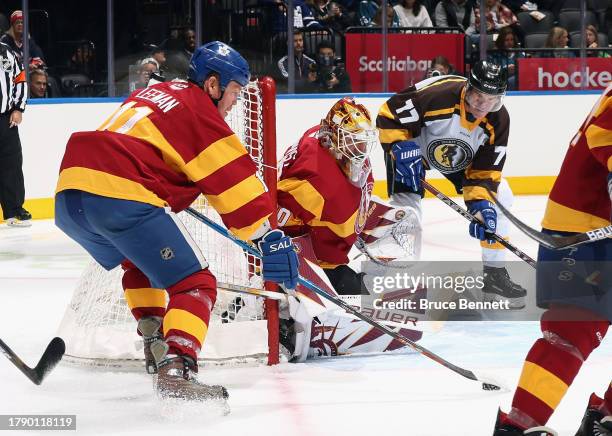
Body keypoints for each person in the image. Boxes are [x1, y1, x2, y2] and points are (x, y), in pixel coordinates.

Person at [54, 41, 299, 404]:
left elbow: (149, 152)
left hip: (70, 195)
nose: (234, 102)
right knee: (195, 283)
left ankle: (155, 343)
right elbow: (235, 186)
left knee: (139, 262)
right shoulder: (199, 109)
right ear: (213, 85)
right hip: (119, 192)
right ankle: (177, 368)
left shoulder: (156, 95)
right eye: (233, 91)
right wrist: (268, 236)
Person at [492, 84, 611, 436]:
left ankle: (606, 419)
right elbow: (604, 138)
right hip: (585, 229)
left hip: (592, 227)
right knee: (572, 330)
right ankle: (519, 426)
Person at [277, 97, 422, 361]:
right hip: (315, 262)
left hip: (329, 251)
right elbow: (281, 229)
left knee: (405, 222)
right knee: (359, 314)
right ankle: (282, 318)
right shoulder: (313, 180)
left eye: (363, 138)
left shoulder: (334, 147)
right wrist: (299, 289)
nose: (361, 146)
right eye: (353, 138)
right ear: (332, 138)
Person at [376, 60, 527, 308]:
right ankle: (397, 286)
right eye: (479, 96)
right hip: (413, 152)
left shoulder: (499, 120)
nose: (483, 105)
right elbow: (389, 114)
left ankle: (494, 275)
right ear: (469, 88)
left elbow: (484, 171)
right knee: (407, 212)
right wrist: (400, 147)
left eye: (492, 99)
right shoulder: (438, 96)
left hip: (458, 157)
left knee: (501, 199)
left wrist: (481, 204)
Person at [0, 42, 30, 227]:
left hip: (5, 119)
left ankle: (14, 211)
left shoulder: (7, 52)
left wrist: (18, 108)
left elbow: (20, 79)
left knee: (11, 164)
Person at [276, 29, 316, 93]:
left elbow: (315, 83)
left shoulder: (311, 62)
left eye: (300, 40)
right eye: (295, 41)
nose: (298, 43)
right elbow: (289, 83)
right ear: (288, 43)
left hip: (308, 96)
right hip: (290, 98)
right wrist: (307, 81)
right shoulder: (282, 63)